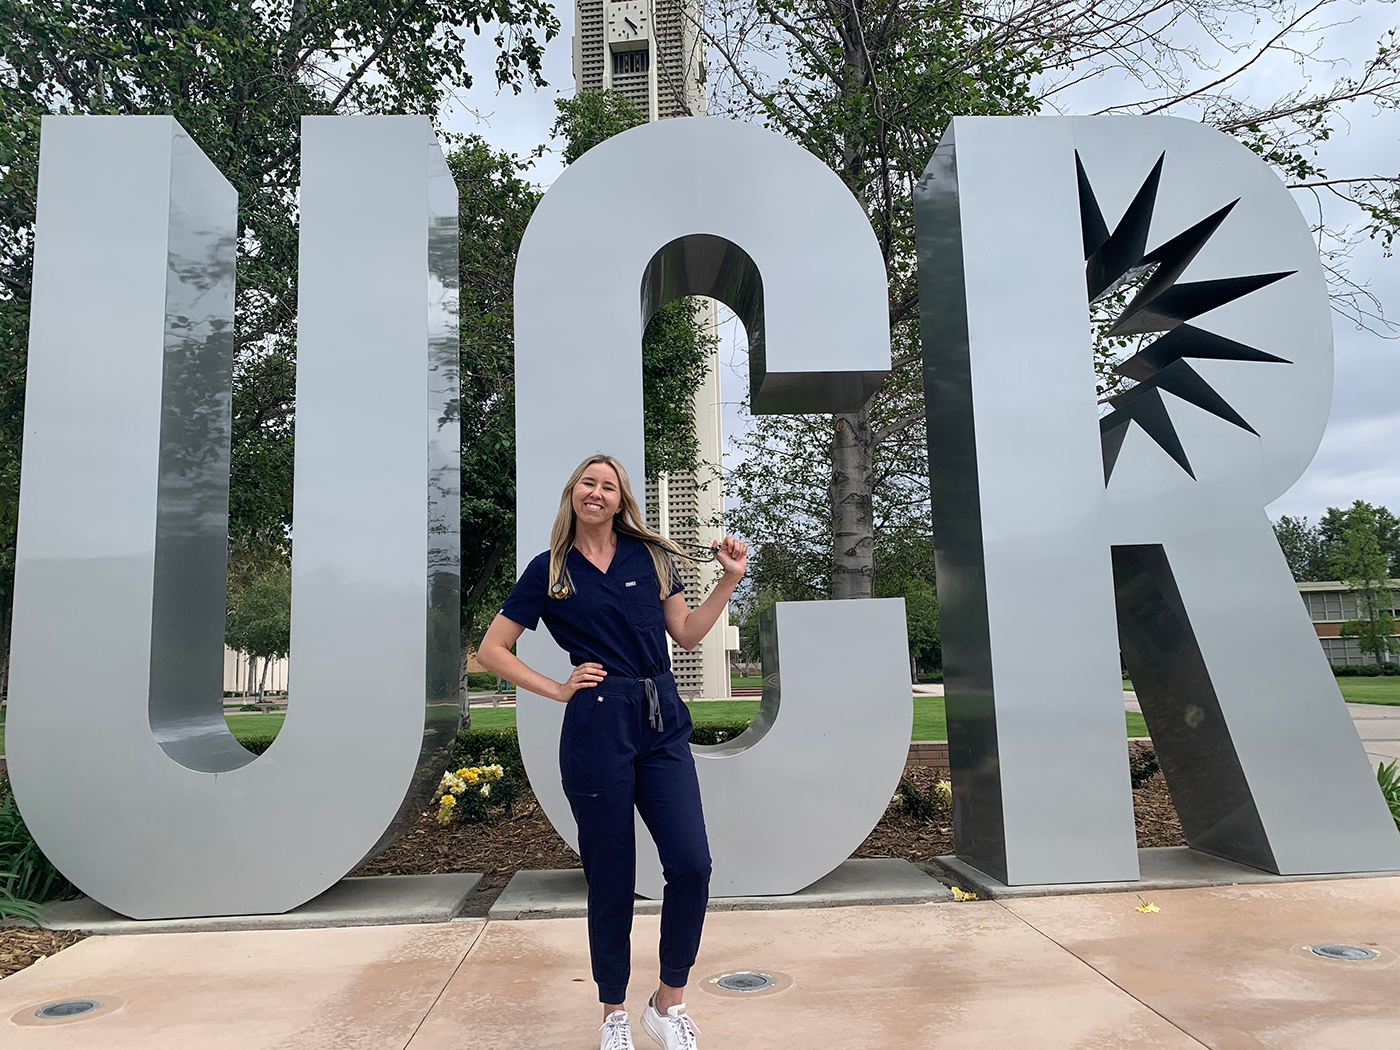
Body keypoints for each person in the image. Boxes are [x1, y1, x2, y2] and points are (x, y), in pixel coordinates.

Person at [477, 453, 747, 1050]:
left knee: (691, 864)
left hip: (661, 721)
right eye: (587, 483)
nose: (596, 492)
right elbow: (493, 649)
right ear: (573, 492)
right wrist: (556, 688)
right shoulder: (549, 571)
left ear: (623, 500)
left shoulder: (650, 558)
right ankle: (613, 1013)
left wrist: (728, 577)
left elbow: (688, 634)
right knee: (611, 875)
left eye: (608, 485)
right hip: (597, 727)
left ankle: (667, 1002)